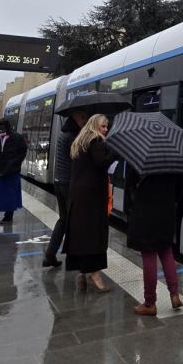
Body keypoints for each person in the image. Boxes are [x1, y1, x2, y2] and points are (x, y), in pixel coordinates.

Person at [124, 165, 183, 316]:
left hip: (147, 210)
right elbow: (180, 183)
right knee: (166, 251)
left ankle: (150, 303)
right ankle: (174, 295)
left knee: (149, 254)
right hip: (167, 209)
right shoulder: (171, 159)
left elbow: (130, 181)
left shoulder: (142, 157)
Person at [64, 113, 113, 291]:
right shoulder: (96, 141)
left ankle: (81, 271)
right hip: (92, 197)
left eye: (107, 126)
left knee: (82, 234)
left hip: (78, 196)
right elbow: (102, 163)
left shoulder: (80, 141)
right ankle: (94, 274)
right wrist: (116, 152)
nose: (106, 129)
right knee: (94, 235)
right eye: (103, 126)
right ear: (94, 126)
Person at [43, 109, 89, 268]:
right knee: (74, 221)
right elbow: (78, 160)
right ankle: (75, 257)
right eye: (82, 118)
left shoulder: (64, 133)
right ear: (75, 118)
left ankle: (50, 254)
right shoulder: (72, 137)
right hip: (69, 184)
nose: (84, 121)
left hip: (59, 182)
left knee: (63, 220)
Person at [0, 118, 27, 225]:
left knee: (9, 195)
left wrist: (13, 164)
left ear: (7, 127)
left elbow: (22, 153)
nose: (1, 129)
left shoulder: (17, 138)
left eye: (3, 127)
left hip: (11, 172)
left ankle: (8, 216)